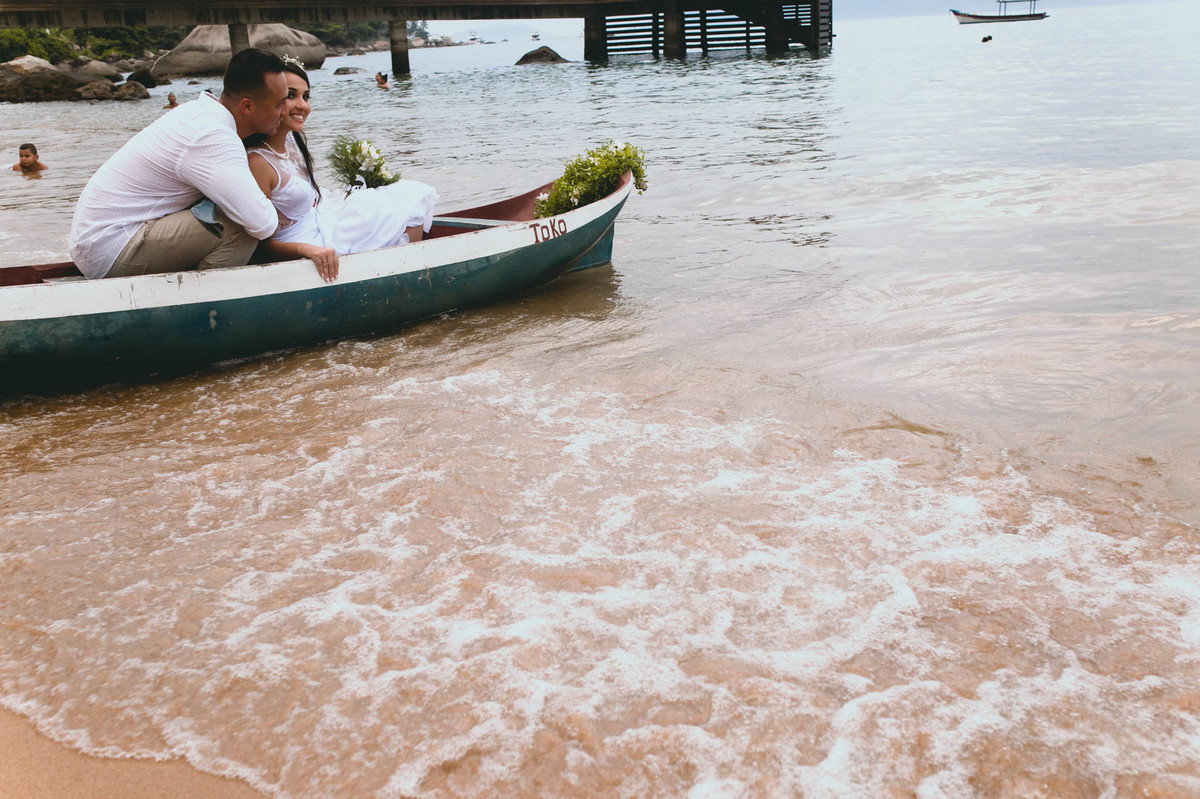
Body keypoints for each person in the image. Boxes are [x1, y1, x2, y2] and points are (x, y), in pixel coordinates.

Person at [67, 48, 290, 280]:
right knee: (239, 227)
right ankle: (203, 306)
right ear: (247, 106)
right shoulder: (213, 136)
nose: (285, 112)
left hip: (96, 241)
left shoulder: (198, 112)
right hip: (111, 247)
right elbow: (261, 223)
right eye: (279, 103)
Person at [245, 59, 436, 282]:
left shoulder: (291, 141)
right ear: (271, 99)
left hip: (321, 217)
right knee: (406, 198)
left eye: (306, 97)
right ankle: (407, 277)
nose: (302, 106)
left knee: (406, 195)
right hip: (308, 241)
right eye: (291, 95)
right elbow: (255, 245)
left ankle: (405, 273)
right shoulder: (257, 162)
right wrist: (305, 250)